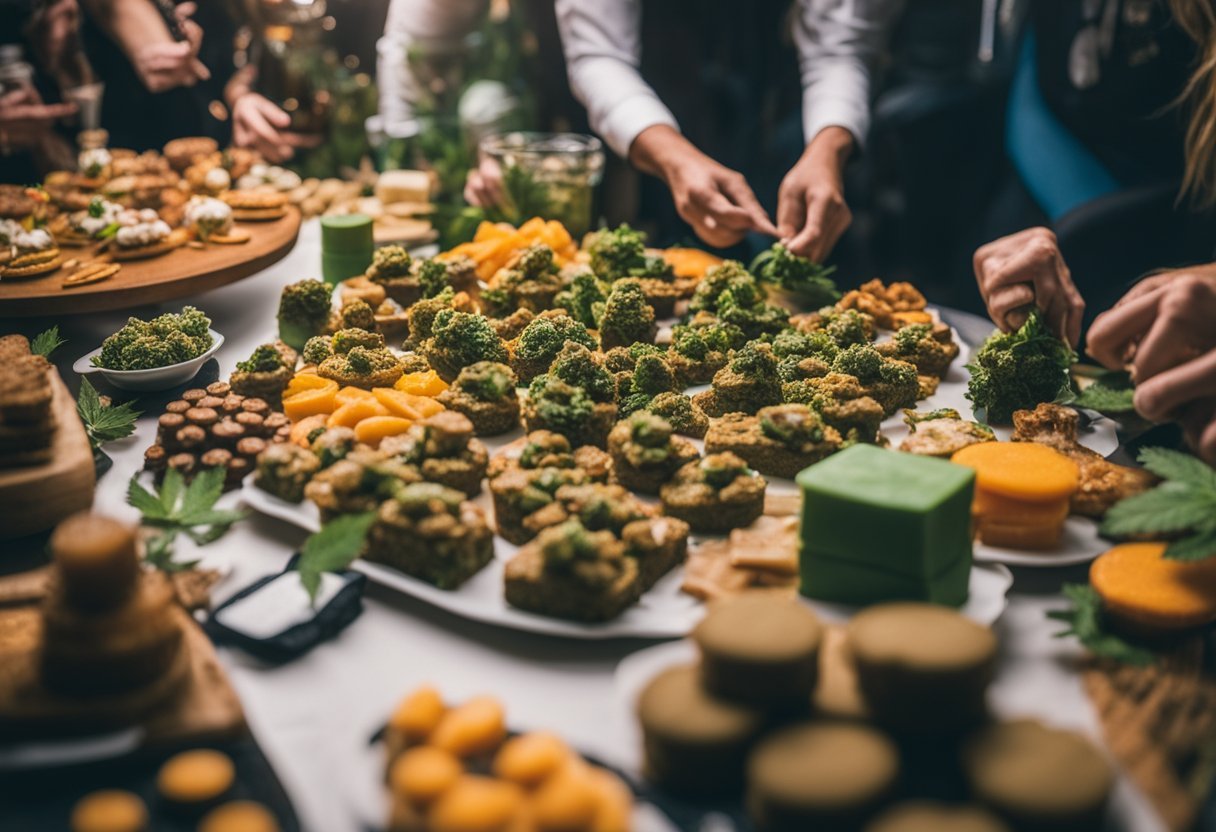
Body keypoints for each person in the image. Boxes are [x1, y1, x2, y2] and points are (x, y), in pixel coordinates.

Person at [553, 0, 899, 259]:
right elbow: (597, 55)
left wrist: (828, 148)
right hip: (665, 114)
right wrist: (676, 161)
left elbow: (841, 47)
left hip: (788, 111)